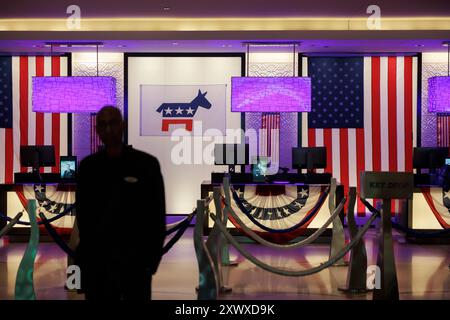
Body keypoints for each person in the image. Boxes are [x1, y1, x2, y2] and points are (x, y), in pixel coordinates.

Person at [75, 106, 166, 300]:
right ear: (97, 130)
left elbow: (157, 215)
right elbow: (84, 218)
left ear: (122, 126)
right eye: (102, 125)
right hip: (98, 264)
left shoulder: (146, 164)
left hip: (136, 263)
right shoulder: (88, 168)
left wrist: (152, 260)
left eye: (113, 123)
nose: (108, 129)